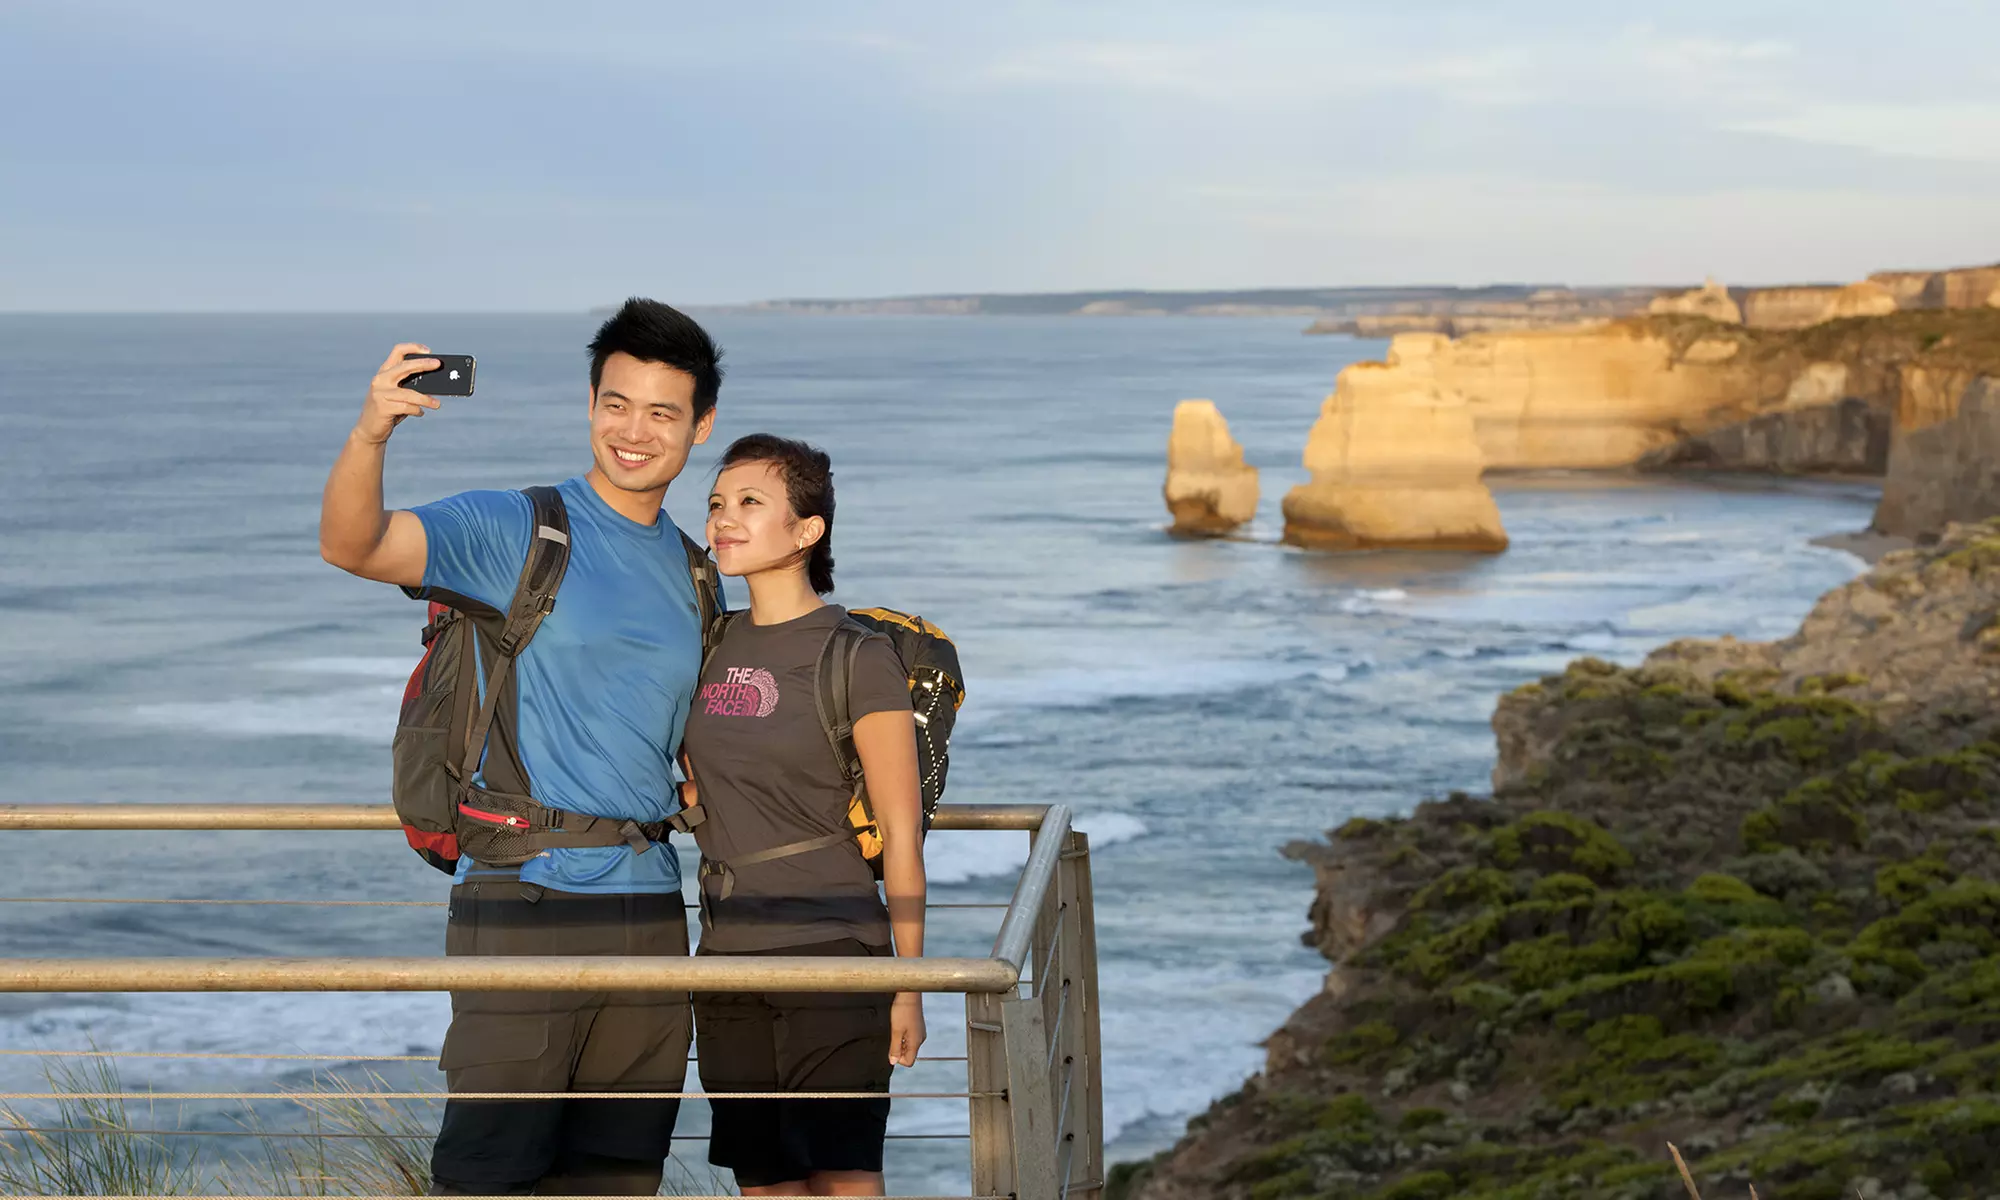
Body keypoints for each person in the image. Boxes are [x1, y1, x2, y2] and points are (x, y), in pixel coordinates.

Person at [317, 298, 723, 1196]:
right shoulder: (520, 530)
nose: (634, 430)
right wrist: (371, 430)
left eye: (662, 412)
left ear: (701, 427)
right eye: (617, 403)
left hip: (653, 908)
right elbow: (354, 544)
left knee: (619, 1176)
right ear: (590, 404)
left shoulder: (698, 571)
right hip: (524, 897)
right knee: (491, 1176)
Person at [681, 434, 928, 1196]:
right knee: (765, 1183)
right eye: (718, 503)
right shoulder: (711, 642)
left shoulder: (856, 654)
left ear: (807, 530)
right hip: (724, 954)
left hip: (830, 947)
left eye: (751, 503)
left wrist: (910, 983)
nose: (725, 519)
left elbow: (902, 834)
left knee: (843, 1178)